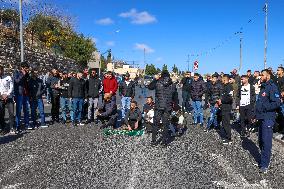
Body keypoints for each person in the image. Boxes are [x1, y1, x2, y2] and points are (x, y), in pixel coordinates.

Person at [255, 69, 281, 174]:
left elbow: (277, 103)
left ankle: (265, 164)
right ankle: (263, 159)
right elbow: (259, 102)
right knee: (260, 141)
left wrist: (264, 107)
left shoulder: (272, 87)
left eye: (262, 75)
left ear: (268, 76)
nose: (260, 77)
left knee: (266, 142)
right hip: (261, 117)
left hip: (268, 118)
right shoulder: (263, 87)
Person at [148, 70, 178, 147]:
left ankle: (153, 141)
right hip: (167, 107)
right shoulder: (173, 84)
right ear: (168, 76)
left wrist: (155, 79)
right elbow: (175, 98)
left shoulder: (158, 82)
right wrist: (175, 106)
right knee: (166, 124)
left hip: (158, 106)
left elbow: (149, 87)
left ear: (161, 75)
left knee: (155, 124)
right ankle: (164, 142)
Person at [217, 74, 234, 145]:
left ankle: (229, 138)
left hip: (227, 107)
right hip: (223, 107)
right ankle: (226, 136)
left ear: (225, 79)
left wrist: (222, 100)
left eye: (222, 78)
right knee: (224, 122)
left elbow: (230, 98)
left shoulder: (229, 86)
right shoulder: (224, 86)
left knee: (226, 123)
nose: (221, 80)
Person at [14, 62, 30, 132]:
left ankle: (27, 124)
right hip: (19, 94)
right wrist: (22, 74)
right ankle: (17, 125)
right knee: (18, 110)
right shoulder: (16, 72)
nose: (27, 70)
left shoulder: (27, 74)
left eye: (27, 68)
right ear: (22, 68)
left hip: (26, 94)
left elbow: (28, 82)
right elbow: (16, 81)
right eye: (26, 68)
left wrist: (27, 75)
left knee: (26, 110)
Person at [0, 65, 14, 134]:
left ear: (3, 70)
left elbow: (11, 87)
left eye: (0, 70)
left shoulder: (8, 77)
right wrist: (1, 95)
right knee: (1, 114)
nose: (0, 71)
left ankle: (11, 128)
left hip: (9, 97)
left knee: (11, 113)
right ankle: (3, 127)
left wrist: (7, 94)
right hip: (0, 98)